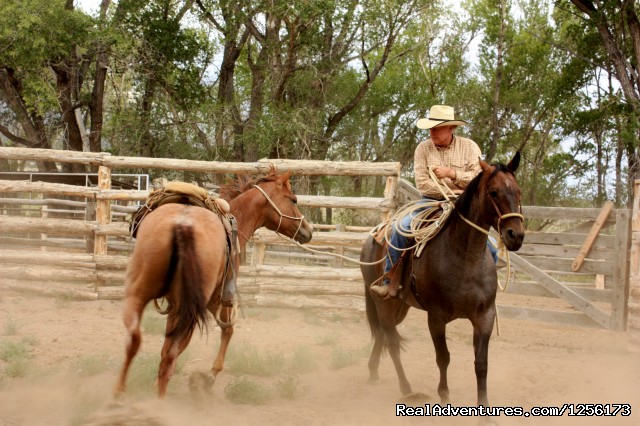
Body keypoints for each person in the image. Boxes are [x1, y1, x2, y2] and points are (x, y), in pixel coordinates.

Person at [370, 104, 492, 298]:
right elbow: (423, 185)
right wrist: (455, 189)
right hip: (430, 202)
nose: (431, 132)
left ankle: (485, 288)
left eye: (436, 128)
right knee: (401, 228)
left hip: (463, 206)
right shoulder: (423, 149)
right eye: (430, 128)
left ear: (451, 128)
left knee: (490, 246)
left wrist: (451, 173)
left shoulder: (469, 147)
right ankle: (389, 280)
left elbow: (478, 179)